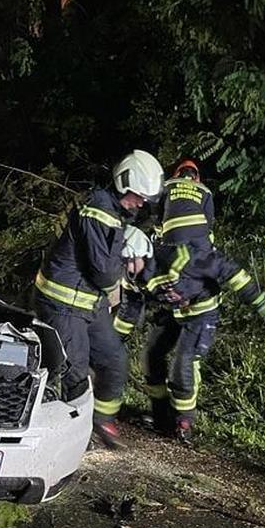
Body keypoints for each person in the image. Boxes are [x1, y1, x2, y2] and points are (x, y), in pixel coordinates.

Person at [34, 149, 163, 449]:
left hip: (89, 303)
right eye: (138, 195)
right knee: (74, 373)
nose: (142, 202)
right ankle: (72, 438)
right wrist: (126, 256)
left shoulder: (114, 213)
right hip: (63, 303)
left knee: (114, 360)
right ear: (123, 183)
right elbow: (104, 274)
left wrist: (130, 238)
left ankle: (101, 421)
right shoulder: (98, 210)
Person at [116, 240, 265, 443]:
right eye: (121, 262)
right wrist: (115, 339)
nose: (125, 267)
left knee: (183, 363)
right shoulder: (131, 277)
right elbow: (129, 310)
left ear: (142, 254)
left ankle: (183, 423)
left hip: (201, 313)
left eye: (127, 261)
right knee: (150, 358)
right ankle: (161, 416)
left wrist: (260, 302)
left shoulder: (181, 259)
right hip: (173, 313)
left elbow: (229, 269)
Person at [158, 159, 214, 251]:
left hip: (174, 233)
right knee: (204, 261)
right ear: (196, 176)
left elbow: (157, 211)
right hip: (200, 235)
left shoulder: (167, 185)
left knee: (174, 261)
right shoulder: (205, 190)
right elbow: (209, 218)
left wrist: (159, 231)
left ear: (177, 173)